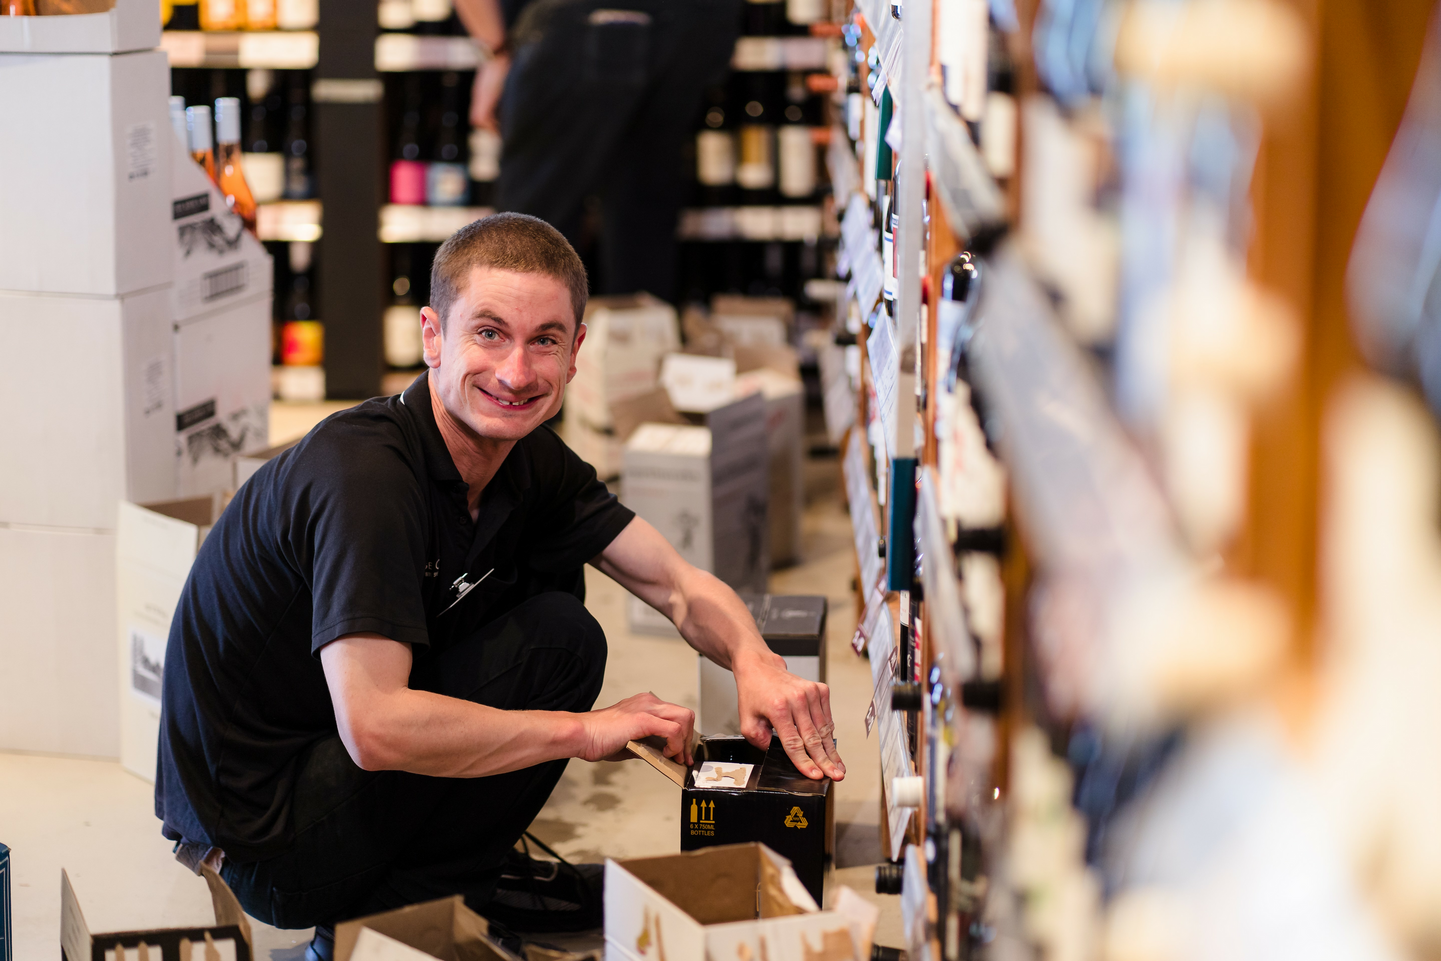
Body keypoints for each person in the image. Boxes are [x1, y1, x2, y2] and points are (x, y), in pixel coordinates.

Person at [155, 214, 844, 961]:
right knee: (555, 644)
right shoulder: (368, 477)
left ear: (576, 351)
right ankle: (378, 931)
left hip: (321, 760)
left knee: (556, 604)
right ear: (432, 335)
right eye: (488, 333)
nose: (516, 372)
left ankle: (461, 882)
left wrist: (754, 658)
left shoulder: (522, 457)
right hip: (262, 835)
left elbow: (674, 583)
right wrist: (586, 731)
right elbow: (376, 724)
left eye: (543, 339)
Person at [455, 0, 740, 302]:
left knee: (531, 237)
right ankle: (637, 343)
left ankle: (523, 343)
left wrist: (494, 52)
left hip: (581, 20)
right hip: (695, 26)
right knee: (642, 220)